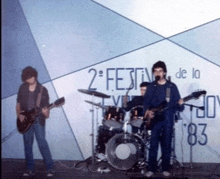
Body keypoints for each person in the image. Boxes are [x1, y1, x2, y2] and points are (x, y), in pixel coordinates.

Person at [143, 61, 184, 177]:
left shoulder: (171, 86)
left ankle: (165, 168)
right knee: (153, 144)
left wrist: (180, 104)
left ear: (164, 73)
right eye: (155, 71)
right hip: (155, 120)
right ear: (153, 73)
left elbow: (179, 107)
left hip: (168, 119)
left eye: (160, 71)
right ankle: (151, 169)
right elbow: (145, 103)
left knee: (166, 144)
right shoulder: (151, 87)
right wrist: (147, 113)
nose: (158, 73)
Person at [16, 66, 54, 177]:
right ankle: (29, 169)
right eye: (26, 79)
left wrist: (46, 112)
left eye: (30, 79)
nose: (28, 81)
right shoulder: (22, 88)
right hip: (25, 120)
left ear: (35, 76)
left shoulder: (42, 90)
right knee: (27, 144)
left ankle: (50, 168)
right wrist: (19, 115)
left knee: (42, 143)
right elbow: (18, 104)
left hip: (38, 120)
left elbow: (46, 114)